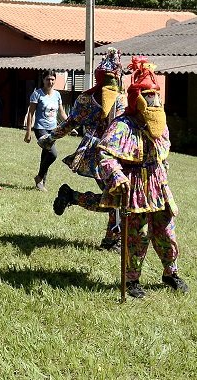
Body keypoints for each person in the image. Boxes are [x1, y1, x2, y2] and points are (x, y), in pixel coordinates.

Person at [97, 56, 189, 298]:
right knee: (136, 235)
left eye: (155, 95)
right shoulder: (122, 125)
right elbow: (105, 154)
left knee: (166, 231)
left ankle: (171, 273)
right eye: (148, 96)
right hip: (134, 187)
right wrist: (116, 175)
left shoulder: (161, 122)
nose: (154, 101)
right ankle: (132, 280)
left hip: (158, 185)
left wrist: (163, 165)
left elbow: (163, 148)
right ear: (137, 99)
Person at [38, 48, 126, 251]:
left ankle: (72, 197)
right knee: (115, 198)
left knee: (114, 198)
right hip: (104, 156)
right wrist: (49, 138)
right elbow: (71, 123)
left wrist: (49, 139)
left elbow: (70, 124)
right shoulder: (102, 100)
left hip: (109, 154)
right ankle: (112, 240)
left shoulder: (98, 99)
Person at [24, 70, 67, 191]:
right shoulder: (37, 94)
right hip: (40, 128)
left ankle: (41, 182)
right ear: (43, 80)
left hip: (53, 130)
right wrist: (28, 132)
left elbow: (61, 113)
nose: (50, 81)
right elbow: (31, 114)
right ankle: (39, 177)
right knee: (52, 154)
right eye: (48, 79)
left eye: (53, 79)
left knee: (46, 156)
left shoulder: (57, 95)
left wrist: (70, 125)